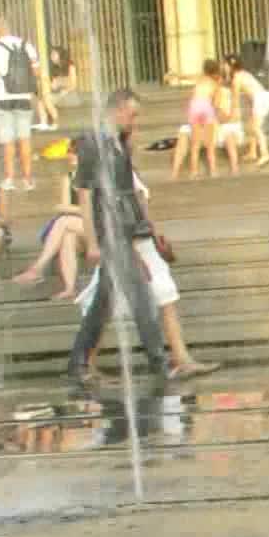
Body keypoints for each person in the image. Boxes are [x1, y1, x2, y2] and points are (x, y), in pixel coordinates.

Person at [72, 172, 221, 381]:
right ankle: (87, 364)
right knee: (104, 304)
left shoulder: (126, 169)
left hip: (144, 243)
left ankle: (182, 359)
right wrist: (133, 252)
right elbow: (119, 213)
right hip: (127, 245)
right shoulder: (107, 170)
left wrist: (157, 239)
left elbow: (141, 211)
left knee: (166, 299)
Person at [66, 89, 170, 386]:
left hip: (122, 229)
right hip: (107, 231)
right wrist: (92, 242)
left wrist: (141, 232)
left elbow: (128, 193)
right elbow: (84, 195)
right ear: (118, 110)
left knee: (104, 300)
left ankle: (77, 363)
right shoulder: (92, 143)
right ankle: (159, 364)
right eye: (132, 115)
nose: (135, 121)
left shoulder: (120, 143)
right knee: (140, 296)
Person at [13, 148, 84, 299]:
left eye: (76, 153)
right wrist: (80, 210)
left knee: (64, 221)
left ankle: (38, 268)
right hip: (80, 227)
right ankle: (70, 287)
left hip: (101, 226)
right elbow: (62, 206)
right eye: (70, 152)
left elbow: (97, 210)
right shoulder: (69, 177)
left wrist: (76, 210)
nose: (71, 156)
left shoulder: (98, 177)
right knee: (67, 237)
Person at [0, 16, 40, 193]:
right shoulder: (26, 45)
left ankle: (9, 179)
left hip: (2, 99)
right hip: (23, 97)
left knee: (8, 141)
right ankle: (27, 180)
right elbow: (37, 72)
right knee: (25, 139)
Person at [225, 54, 269, 166]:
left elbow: (235, 100)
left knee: (256, 128)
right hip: (262, 98)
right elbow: (250, 91)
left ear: (230, 65)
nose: (223, 67)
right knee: (252, 125)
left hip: (261, 99)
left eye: (225, 64)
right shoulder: (243, 73)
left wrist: (232, 115)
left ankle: (265, 154)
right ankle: (253, 152)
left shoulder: (236, 78)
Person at [179, 59, 222, 179]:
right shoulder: (215, 84)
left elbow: (186, 77)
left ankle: (194, 171)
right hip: (207, 106)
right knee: (210, 143)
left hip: (195, 106)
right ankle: (213, 170)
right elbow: (217, 103)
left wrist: (175, 75)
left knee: (195, 144)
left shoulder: (199, 79)